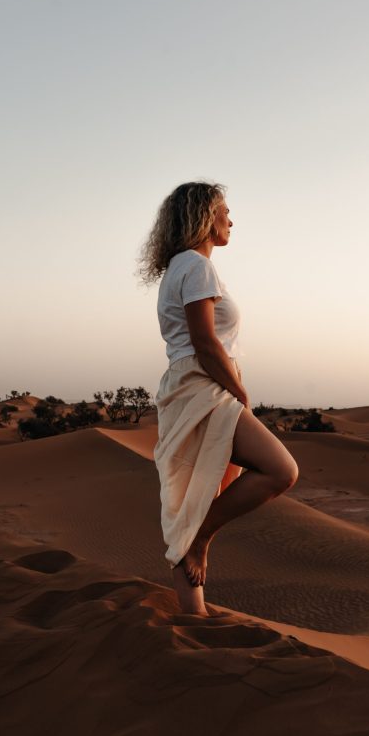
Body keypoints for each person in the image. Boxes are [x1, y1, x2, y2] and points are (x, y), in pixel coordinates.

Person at [136, 181, 298, 615]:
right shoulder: (196, 266)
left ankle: (194, 615)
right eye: (225, 211)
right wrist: (240, 392)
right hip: (203, 383)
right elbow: (205, 342)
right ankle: (202, 540)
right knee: (281, 470)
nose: (231, 220)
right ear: (206, 217)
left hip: (186, 383)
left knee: (194, 498)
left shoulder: (178, 268)